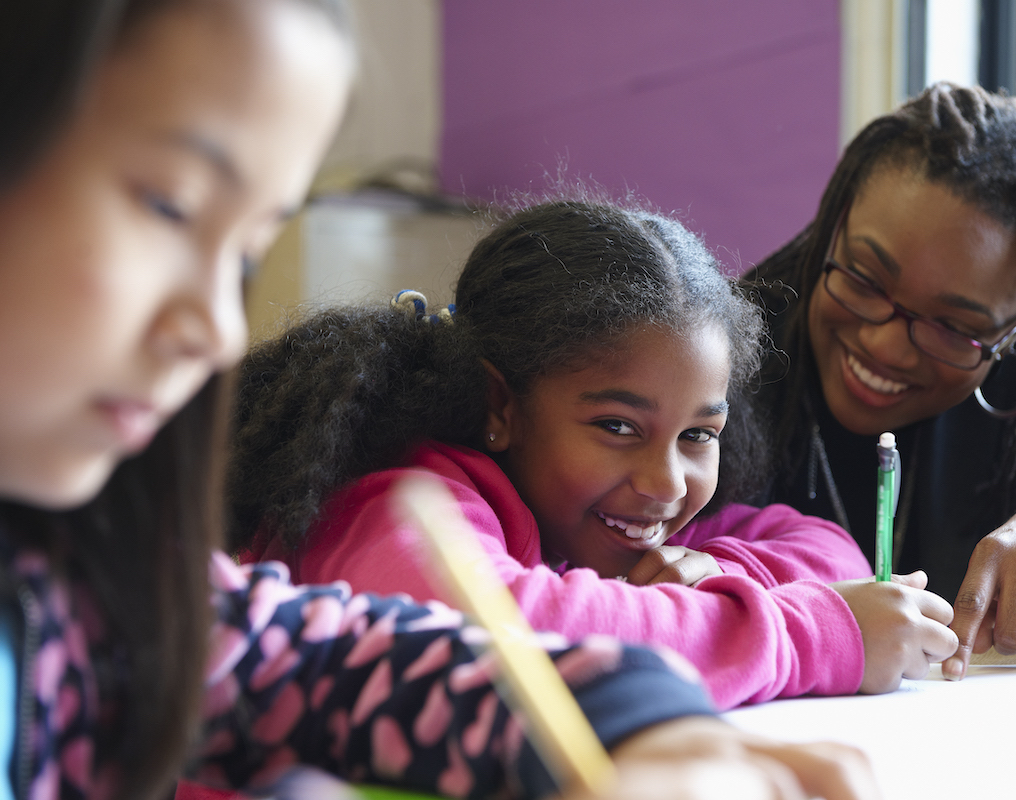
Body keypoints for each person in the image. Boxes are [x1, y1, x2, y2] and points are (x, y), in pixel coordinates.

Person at [0, 2, 883, 799]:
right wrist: (809, 632)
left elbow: (311, 660)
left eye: (244, 255)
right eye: (168, 205)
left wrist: (645, 718)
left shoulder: (81, 599)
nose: (217, 331)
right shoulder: (399, 499)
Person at [227, 198, 959, 711]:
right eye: (617, 426)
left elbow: (828, 552)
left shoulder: (609, 517)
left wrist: (713, 575)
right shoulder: (395, 498)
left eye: (699, 434)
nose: (666, 482)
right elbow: (503, 637)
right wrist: (815, 635)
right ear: (500, 406)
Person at [746, 82, 1016, 682]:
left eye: (954, 327)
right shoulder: (723, 366)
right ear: (833, 228)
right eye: (867, 279)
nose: (884, 344)